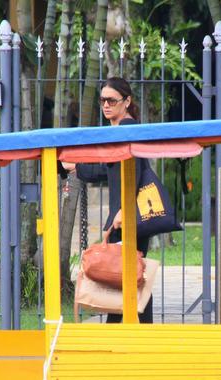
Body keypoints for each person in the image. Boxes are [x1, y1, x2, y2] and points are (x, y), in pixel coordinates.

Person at [61, 77, 153, 323]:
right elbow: (109, 170)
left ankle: (131, 334)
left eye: (112, 100)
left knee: (129, 273)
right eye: (103, 100)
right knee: (129, 273)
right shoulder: (119, 130)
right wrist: (77, 169)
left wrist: (124, 209)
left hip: (126, 218)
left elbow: (139, 170)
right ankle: (134, 332)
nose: (106, 105)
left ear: (127, 101)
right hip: (124, 217)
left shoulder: (127, 129)